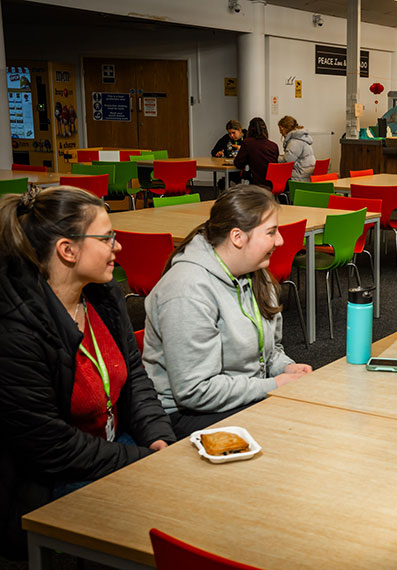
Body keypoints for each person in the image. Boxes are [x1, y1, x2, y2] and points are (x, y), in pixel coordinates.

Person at [0, 187, 175, 559]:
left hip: (112, 449)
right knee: (169, 524)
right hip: (45, 482)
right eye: (107, 237)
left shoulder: (103, 294)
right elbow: (50, 448)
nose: (119, 246)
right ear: (68, 250)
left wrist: (159, 438)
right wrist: (142, 460)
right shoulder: (16, 329)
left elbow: (135, 378)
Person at [143, 185, 312, 438]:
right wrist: (274, 384)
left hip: (240, 397)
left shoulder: (257, 274)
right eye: (271, 232)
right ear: (237, 237)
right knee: (293, 434)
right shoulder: (187, 289)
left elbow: (270, 351)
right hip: (186, 415)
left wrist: (285, 369)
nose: (280, 241)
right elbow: (195, 391)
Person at [234, 117, 279, 188]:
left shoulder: (247, 142)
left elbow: (238, 163)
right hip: (274, 184)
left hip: (257, 183)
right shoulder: (274, 145)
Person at [278, 115, 316, 182]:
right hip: (307, 173)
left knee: (276, 175)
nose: (280, 132)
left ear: (283, 128)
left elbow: (287, 161)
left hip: (300, 176)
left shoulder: (295, 141)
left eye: (280, 129)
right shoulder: (302, 138)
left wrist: (275, 157)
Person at [211, 120, 245, 189]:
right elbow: (214, 151)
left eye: (233, 133)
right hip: (230, 168)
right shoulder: (226, 138)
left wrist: (242, 149)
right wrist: (218, 153)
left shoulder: (247, 137)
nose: (231, 135)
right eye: (229, 133)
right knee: (222, 183)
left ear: (240, 130)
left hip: (243, 169)